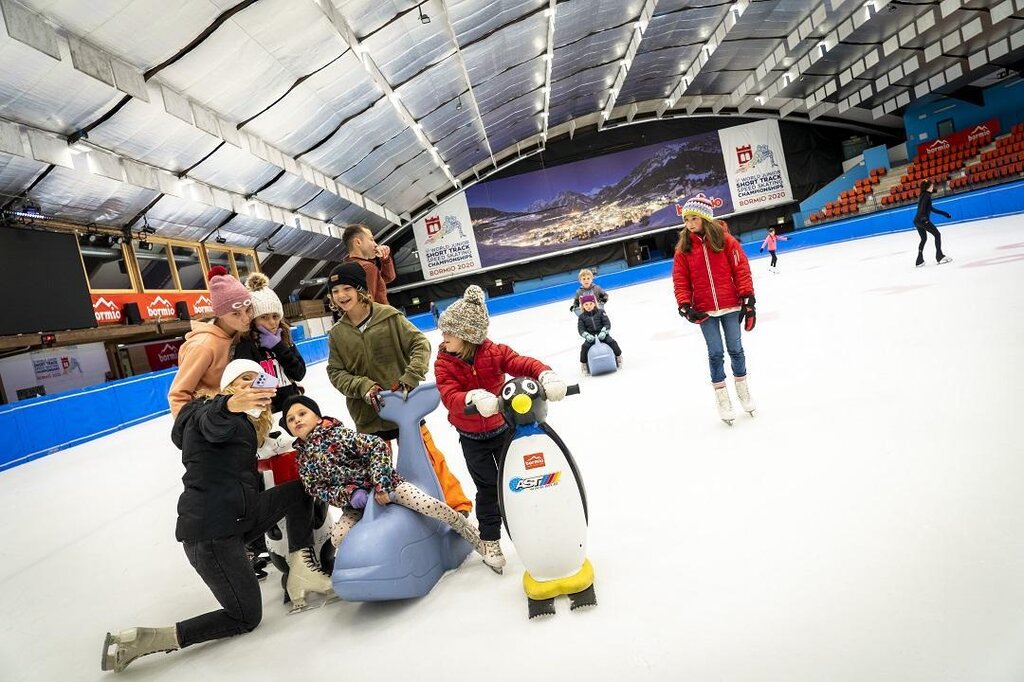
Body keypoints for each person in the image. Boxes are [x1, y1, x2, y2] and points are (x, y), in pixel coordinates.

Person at [101, 360, 332, 674]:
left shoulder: (245, 426)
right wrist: (228, 405)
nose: (252, 385)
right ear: (229, 387)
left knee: (297, 492)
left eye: (257, 379)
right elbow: (213, 421)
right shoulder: (210, 415)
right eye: (244, 380)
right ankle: (145, 640)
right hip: (211, 537)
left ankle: (300, 568)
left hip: (240, 519)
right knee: (246, 617)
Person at [433, 285, 567, 572]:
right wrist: (471, 397)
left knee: (521, 482)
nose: (442, 339)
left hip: (505, 432)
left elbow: (521, 363)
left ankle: (534, 531)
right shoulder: (443, 363)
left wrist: (545, 373)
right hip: (472, 438)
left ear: (468, 335)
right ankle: (490, 540)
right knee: (488, 489)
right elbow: (449, 396)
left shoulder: (494, 352)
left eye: (448, 333)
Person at [278, 395, 495, 568]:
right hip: (356, 503)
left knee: (429, 505)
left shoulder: (338, 435)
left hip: (387, 486)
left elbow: (377, 447)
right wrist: (350, 495)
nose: (296, 420)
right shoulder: (303, 458)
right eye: (290, 419)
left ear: (317, 417)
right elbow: (315, 488)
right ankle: (372, 564)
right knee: (338, 537)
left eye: (302, 413)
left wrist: (380, 484)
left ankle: (472, 535)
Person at [324, 262, 472, 515]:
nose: (341, 295)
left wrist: (409, 378)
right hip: (368, 416)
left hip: (404, 408)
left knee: (429, 459)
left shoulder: (389, 317)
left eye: (347, 288)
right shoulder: (338, 334)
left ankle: (457, 506)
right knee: (377, 473)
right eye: (335, 291)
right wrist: (362, 386)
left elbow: (419, 344)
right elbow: (335, 372)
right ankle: (395, 518)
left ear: (361, 290)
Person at [672, 195, 757, 424]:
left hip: (730, 304)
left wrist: (748, 299)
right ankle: (723, 399)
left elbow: (741, 269)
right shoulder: (683, 248)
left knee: (736, 349)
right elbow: (680, 280)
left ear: (705, 218)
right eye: (686, 219)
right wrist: (685, 305)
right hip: (704, 310)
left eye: (694, 218)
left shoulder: (726, 240)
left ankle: (743, 391)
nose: (689, 223)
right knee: (715, 353)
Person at [167, 266, 252, 417]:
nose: (246, 318)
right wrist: (190, 431)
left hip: (239, 417)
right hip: (212, 422)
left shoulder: (240, 334)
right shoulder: (202, 346)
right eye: (235, 313)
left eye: (248, 309)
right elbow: (178, 395)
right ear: (220, 314)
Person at [234, 272, 305, 414]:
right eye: (264, 317)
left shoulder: (284, 340)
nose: (272, 322)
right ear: (253, 320)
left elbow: (299, 373)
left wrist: (278, 347)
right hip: (267, 414)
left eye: (275, 316)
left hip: (294, 408)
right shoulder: (246, 347)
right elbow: (248, 386)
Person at [342, 224, 396, 305]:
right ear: (358, 242)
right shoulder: (367, 267)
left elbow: (387, 277)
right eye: (371, 239)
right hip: (380, 316)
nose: (375, 244)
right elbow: (368, 303)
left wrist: (385, 259)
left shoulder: (345, 268)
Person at [577, 293, 622, 374]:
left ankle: (618, 356)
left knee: (612, 342)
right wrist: (586, 335)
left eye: (591, 303)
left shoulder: (601, 312)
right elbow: (581, 329)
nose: (589, 306)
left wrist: (604, 332)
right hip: (591, 336)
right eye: (586, 304)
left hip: (602, 334)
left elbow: (607, 323)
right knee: (584, 347)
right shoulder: (581, 317)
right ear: (583, 306)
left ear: (594, 303)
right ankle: (583, 363)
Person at [913, 180, 952, 267]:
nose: (932, 187)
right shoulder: (926, 195)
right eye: (931, 186)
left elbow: (932, 209)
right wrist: (924, 218)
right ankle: (939, 256)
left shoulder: (923, 195)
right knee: (937, 234)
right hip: (922, 220)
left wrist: (945, 214)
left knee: (923, 239)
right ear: (928, 187)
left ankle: (919, 260)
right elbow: (923, 208)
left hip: (917, 220)